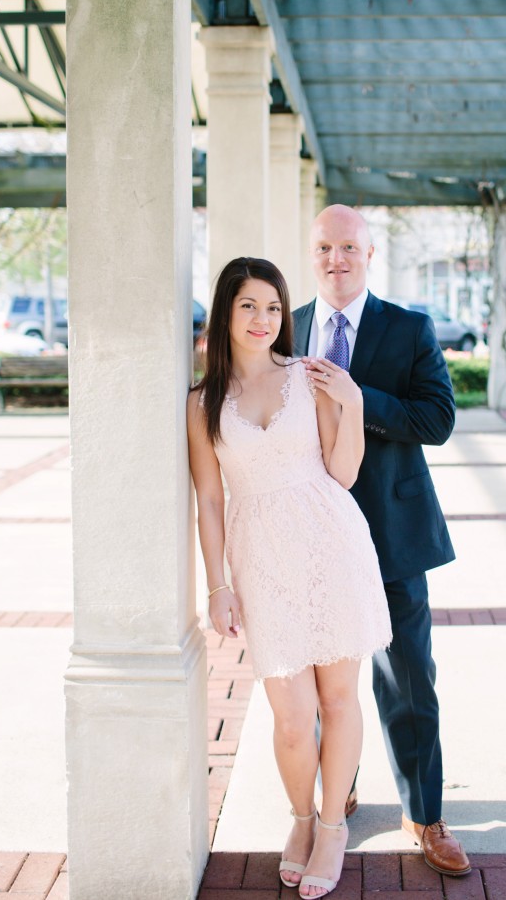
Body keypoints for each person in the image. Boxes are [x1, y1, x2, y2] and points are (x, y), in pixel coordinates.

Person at [187, 257, 391, 899]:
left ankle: (333, 826)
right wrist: (217, 586)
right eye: (248, 305)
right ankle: (301, 816)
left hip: (332, 542)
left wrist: (352, 402)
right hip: (261, 559)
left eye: (273, 307)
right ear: (226, 312)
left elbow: (346, 473)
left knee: (338, 699)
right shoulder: (202, 403)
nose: (263, 319)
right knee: (293, 717)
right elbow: (211, 500)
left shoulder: (308, 378)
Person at [293, 205, 471, 877]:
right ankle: (336, 788)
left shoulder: (409, 327)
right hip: (310, 533)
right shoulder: (287, 325)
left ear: (369, 254)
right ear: (312, 254)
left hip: (391, 532)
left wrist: (358, 396)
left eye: (348, 247)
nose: (336, 259)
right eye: (324, 247)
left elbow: (438, 417)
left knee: (407, 676)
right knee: (321, 677)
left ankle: (424, 812)